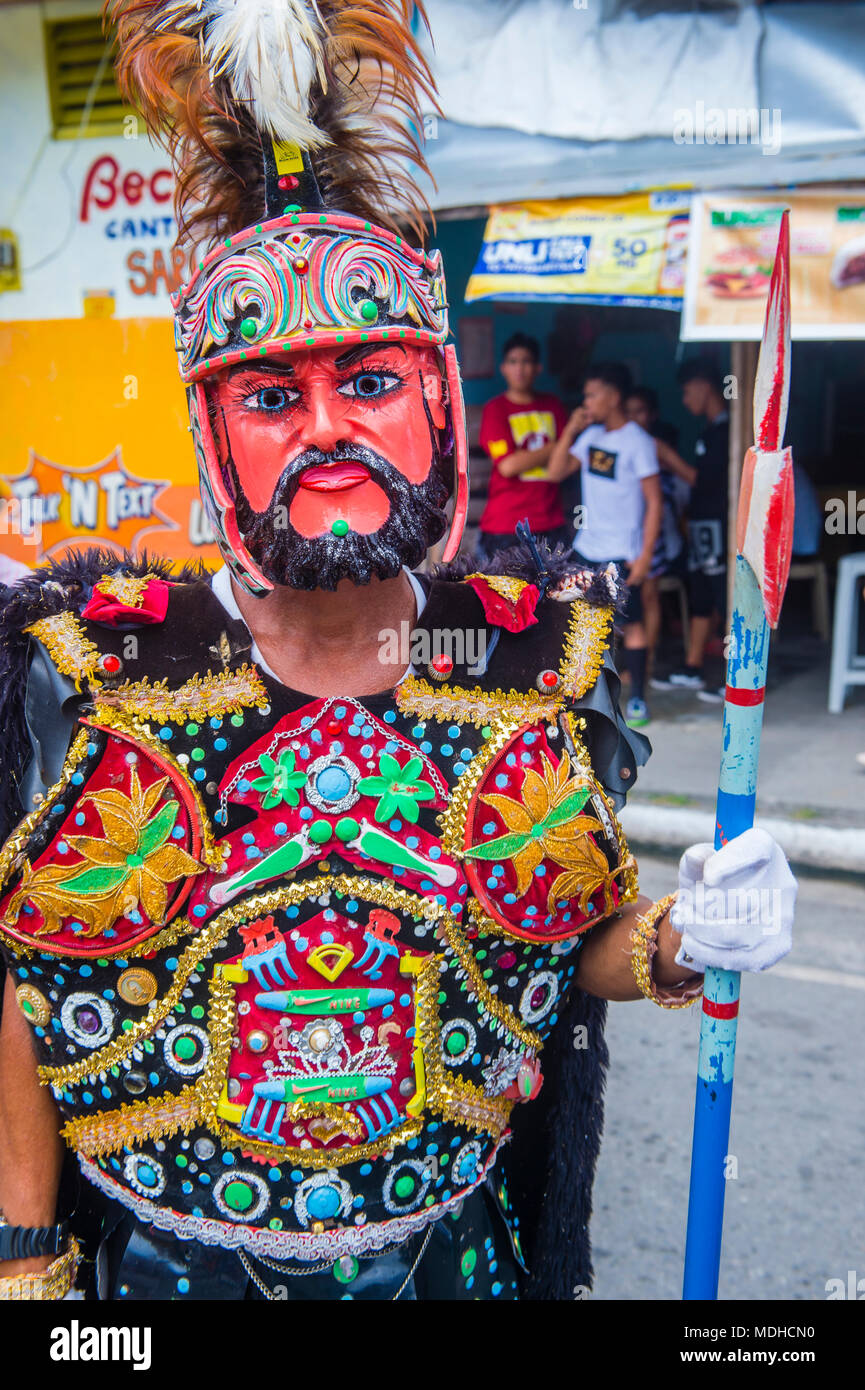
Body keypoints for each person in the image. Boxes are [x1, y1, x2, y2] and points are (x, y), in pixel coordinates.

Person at [0, 0, 796, 1304]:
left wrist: (678, 936)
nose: (326, 430)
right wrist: (25, 1259)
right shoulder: (99, 666)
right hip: (158, 1284)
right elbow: (34, 992)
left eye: (369, 381)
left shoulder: (526, 654)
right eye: (271, 395)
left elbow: (568, 937)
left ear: (440, 402)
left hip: (447, 1265)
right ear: (211, 432)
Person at [547, 364, 663, 729]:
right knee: (582, 620)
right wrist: (570, 429)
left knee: (632, 624)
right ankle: (588, 698)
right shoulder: (590, 437)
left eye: (593, 394)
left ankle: (639, 699)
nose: (587, 401)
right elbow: (554, 472)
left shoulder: (638, 441)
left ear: (613, 398)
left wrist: (644, 554)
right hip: (588, 546)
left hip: (622, 550)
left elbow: (654, 501)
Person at [651, 359, 729, 699]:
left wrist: (666, 454)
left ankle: (736, 677)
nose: (684, 400)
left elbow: (703, 483)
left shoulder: (728, 432)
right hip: (701, 528)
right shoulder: (710, 430)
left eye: (686, 391)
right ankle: (693, 667)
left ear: (704, 385)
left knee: (725, 596)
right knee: (701, 594)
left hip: (718, 526)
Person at [476, 334, 569, 562]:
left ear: (538, 368)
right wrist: (556, 446)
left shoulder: (552, 405)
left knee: (557, 595)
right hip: (506, 525)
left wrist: (562, 447)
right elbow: (508, 466)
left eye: (526, 361)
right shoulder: (495, 409)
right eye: (513, 361)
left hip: (551, 522)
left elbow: (570, 456)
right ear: (503, 368)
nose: (520, 368)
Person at [625, 387, 694, 675]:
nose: (633, 418)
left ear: (651, 415)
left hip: (656, 536)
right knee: (625, 604)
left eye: (639, 411)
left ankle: (646, 662)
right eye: (628, 412)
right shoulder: (617, 443)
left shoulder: (654, 447)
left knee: (648, 596)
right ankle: (628, 665)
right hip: (623, 537)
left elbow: (692, 479)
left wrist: (666, 456)